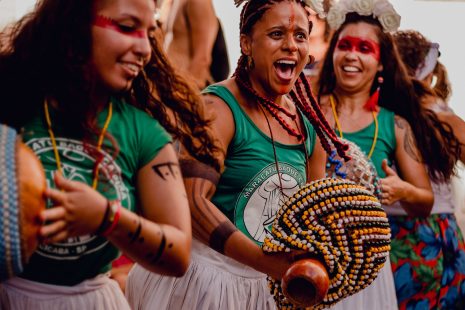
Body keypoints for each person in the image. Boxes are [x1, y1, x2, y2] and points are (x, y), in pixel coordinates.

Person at [125, 0, 350, 308]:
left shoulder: (308, 126)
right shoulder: (218, 108)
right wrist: (265, 262)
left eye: (300, 35)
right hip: (204, 281)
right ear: (246, 43)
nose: (291, 46)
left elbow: (308, 218)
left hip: (266, 289)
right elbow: (193, 202)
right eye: (276, 34)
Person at [0, 0, 220, 308]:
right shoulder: (13, 100)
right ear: (74, 26)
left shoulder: (144, 133)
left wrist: (107, 217)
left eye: (150, 32)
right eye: (128, 27)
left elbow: (179, 253)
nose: (144, 48)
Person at [315, 0, 459, 308]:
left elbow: (424, 200)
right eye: (345, 45)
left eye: (365, 48)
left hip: (368, 267)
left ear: (381, 63)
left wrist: (404, 189)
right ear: (333, 52)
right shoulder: (309, 109)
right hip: (311, 257)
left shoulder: (396, 125)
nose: (352, 55)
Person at [390, 29, 465, 309]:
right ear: (430, 73)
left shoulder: (380, 111)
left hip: (398, 235)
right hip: (436, 233)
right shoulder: (437, 113)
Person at [160, 0, 230, 89]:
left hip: (186, 90)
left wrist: (184, 94)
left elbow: (202, 59)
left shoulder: (198, 1)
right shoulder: (170, 3)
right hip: (169, 85)